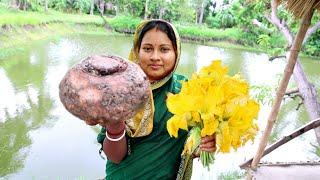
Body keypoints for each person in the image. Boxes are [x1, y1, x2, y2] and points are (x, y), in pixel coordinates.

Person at [97, 19, 216, 180]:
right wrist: (115, 126)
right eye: (147, 49)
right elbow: (115, 157)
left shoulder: (188, 90)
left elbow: (193, 147)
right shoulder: (121, 91)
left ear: (176, 52)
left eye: (164, 49)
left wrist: (205, 143)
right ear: (137, 51)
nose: (155, 57)